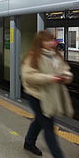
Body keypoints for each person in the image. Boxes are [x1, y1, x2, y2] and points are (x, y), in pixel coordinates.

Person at [21, 30, 74, 158]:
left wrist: (66, 76)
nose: (51, 43)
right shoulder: (32, 56)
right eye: (47, 40)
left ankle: (29, 142)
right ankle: (58, 155)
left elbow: (66, 70)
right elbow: (28, 77)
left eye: (52, 40)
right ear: (40, 42)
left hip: (51, 95)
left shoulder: (56, 56)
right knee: (48, 126)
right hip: (36, 95)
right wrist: (51, 78)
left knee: (40, 121)